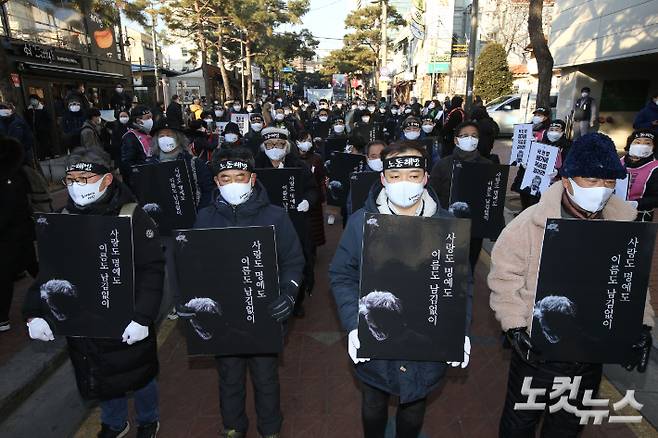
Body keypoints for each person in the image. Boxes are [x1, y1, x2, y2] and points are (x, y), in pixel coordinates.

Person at [489, 132, 654, 438]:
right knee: (520, 423)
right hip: (536, 350)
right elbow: (504, 277)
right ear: (567, 180)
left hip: (589, 351)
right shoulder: (530, 223)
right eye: (591, 180)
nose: (601, 190)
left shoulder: (622, 227)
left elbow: (632, 281)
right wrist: (514, 326)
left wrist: (641, 325)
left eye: (608, 182)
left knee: (567, 425)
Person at [329, 141, 470, 438]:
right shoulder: (360, 223)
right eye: (395, 176)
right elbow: (342, 274)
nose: (404, 183)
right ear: (383, 178)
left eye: (413, 175)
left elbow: (461, 284)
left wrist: (461, 330)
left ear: (425, 178)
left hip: (424, 341)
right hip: (375, 335)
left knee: (415, 407)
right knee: (373, 402)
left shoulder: (448, 227)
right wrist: (354, 323)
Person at [23, 149, 164, 438]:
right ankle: (114, 423)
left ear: (107, 179)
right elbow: (50, 271)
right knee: (99, 375)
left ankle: (148, 419)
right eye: (71, 179)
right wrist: (34, 312)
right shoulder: (62, 218)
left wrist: (142, 317)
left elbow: (152, 269)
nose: (77, 185)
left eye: (85, 178)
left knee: (139, 374)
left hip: (128, 319)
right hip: (86, 321)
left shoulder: (131, 215)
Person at [191, 147, 304, 438]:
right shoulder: (204, 219)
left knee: (266, 376)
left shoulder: (276, 216)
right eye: (225, 178)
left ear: (252, 178)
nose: (233, 183)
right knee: (229, 376)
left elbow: (293, 259)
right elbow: (193, 264)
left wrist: (289, 293)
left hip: (264, 313)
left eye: (239, 176)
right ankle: (233, 427)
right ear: (216, 182)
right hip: (224, 315)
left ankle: (270, 429)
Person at [256, 127, 319, 316]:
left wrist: (308, 201)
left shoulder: (300, 166)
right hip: (264, 221)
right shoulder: (256, 167)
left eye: (279, 144)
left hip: (295, 221)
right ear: (264, 147)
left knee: (296, 259)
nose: (274, 148)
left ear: (287, 146)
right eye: (270, 145)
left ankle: (296, 300)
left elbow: (313, 189)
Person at [430, 121, 492, 271]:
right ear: (456, 140)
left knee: (468, 268)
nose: (470, 139)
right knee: (445, 265)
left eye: (474, 136)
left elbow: (492, 197)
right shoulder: (443, 164)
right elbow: (432, 193)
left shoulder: (488, 165)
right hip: (446, 224)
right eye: (465, 136)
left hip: (474, 229)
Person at [0, 136, 37, 332]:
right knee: (33, 266)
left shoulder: (10, 176)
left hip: (13, 233)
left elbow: (10, 208)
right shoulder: (15, 171)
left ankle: (2, 318)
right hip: (17, 232)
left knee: (5, 274)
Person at [511, 107, 551, 210]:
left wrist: (538, 143)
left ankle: (532, 212)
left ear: (546, 117)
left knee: (534, 194)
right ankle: (523, 211)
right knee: (523, 190)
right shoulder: (529, 127)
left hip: (537, 166)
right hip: (525, 165)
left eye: (540, 115)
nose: (536, 117)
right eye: (535, 115)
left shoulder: (547, 131)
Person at [295, 130, 327, 250]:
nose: (306, 143)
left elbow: (321, 178)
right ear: (297, 142)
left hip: (314, 196)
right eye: (303, 141)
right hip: (300, 194)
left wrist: (322, 195)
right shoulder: (293, 159)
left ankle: (313, 250)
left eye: (309, 140)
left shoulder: (317, 158)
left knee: (314, 227)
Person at [621, 130, 658, 222]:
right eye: (637, 142)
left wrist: (636, 204)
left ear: (653, 147)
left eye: (647, 143)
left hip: (640, 218)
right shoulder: (618, 163)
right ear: (630, 144)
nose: (641, 145)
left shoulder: (655, 168)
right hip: (613, 214)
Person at [120, 106, 153, 186]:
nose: (151, 120)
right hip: (140, 181)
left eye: (151, 117)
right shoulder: (130, 138)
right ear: (139, 121)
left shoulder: (147, 133)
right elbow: (128, 164)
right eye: (148, 118)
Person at [25, 94, 54, 160]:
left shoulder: (43, 109)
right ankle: (40, 156)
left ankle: (46, 155)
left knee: (45, 143)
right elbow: (28, 119)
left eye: (34, 100)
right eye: (31, 100)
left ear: (38, 100)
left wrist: (46, 128)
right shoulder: (29, 110)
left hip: (43, 129)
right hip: (34, 130)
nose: (32, 101)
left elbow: (49, 119)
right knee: (38, 143)